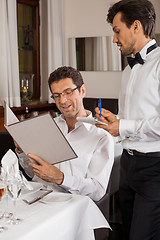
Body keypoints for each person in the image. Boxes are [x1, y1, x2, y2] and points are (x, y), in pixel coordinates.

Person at [95, 0, 160, 239]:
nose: (114, 39)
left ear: (135, 26)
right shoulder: (127, 71)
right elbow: (136, 119)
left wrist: (124, 125)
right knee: (126, 232)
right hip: (127, 166)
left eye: (116, 30)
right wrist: (117, 121)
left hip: (155, 167)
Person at [16, 66, 114, 202]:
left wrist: (60, 178)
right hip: (35, 200)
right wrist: (22, 151)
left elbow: (97, 191)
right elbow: (32, 173)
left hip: (69, 207)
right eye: (57, 96)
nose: (62, 101)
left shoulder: (101, 136)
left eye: (68, 92)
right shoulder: (47, 126)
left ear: (82, 91)